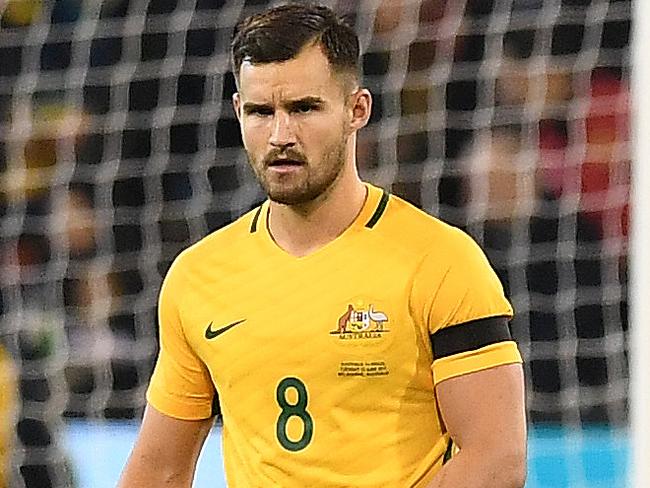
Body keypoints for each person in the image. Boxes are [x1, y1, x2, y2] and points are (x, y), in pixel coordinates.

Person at [118, 4, 526, 487]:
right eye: (261, 112)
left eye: (303, 108)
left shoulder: (440, 262)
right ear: (237, 112)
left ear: (357, 110)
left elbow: (496, 459)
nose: (280, 135)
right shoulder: (197, 277)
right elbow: (160, 471)